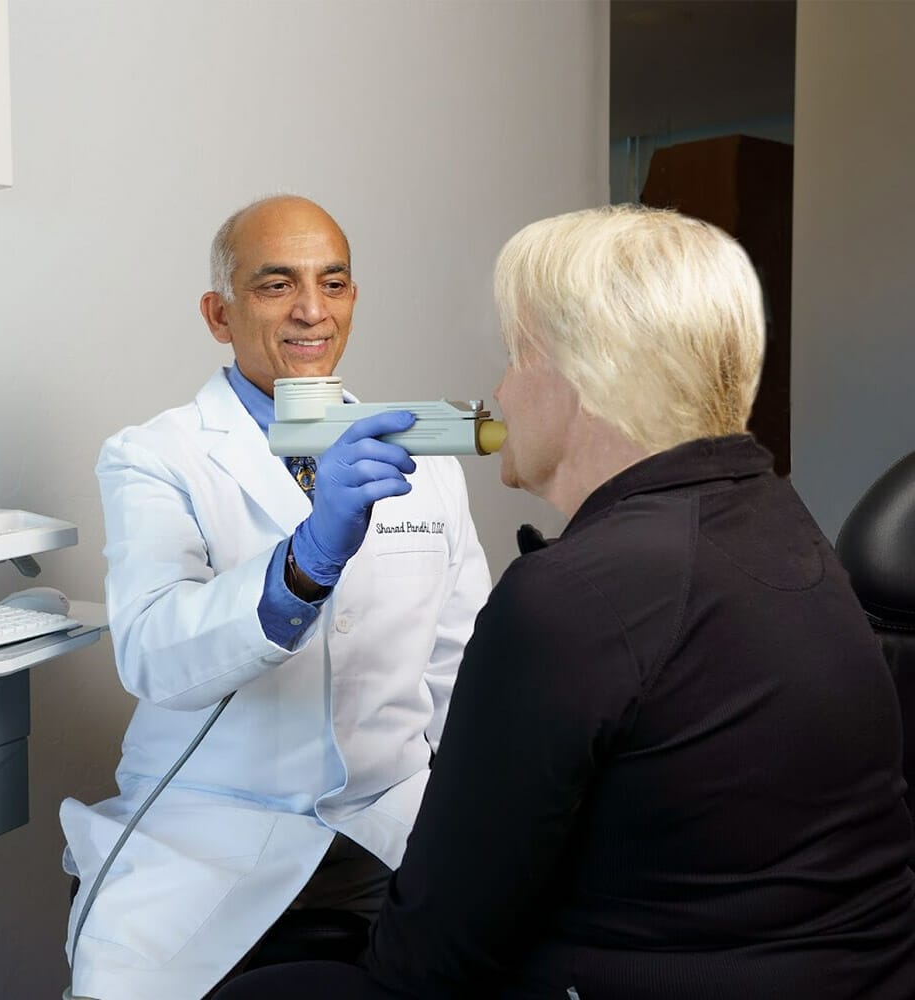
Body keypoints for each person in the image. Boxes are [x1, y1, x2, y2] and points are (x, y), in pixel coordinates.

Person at [214, 204, 915, 999]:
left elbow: (425, 964)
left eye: (517, 358)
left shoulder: (573, 598)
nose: (500, 390)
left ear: (585, 373)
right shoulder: (780, 523)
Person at [59, 195, 491, 1000]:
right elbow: (152, 654)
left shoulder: (426, 460)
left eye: (334, 283)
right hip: (204, 831)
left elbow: (458, 672)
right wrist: (301, 567)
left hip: (388, 817)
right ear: (218, 314)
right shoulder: (158, 456)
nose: (311, 311)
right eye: (275, 286)